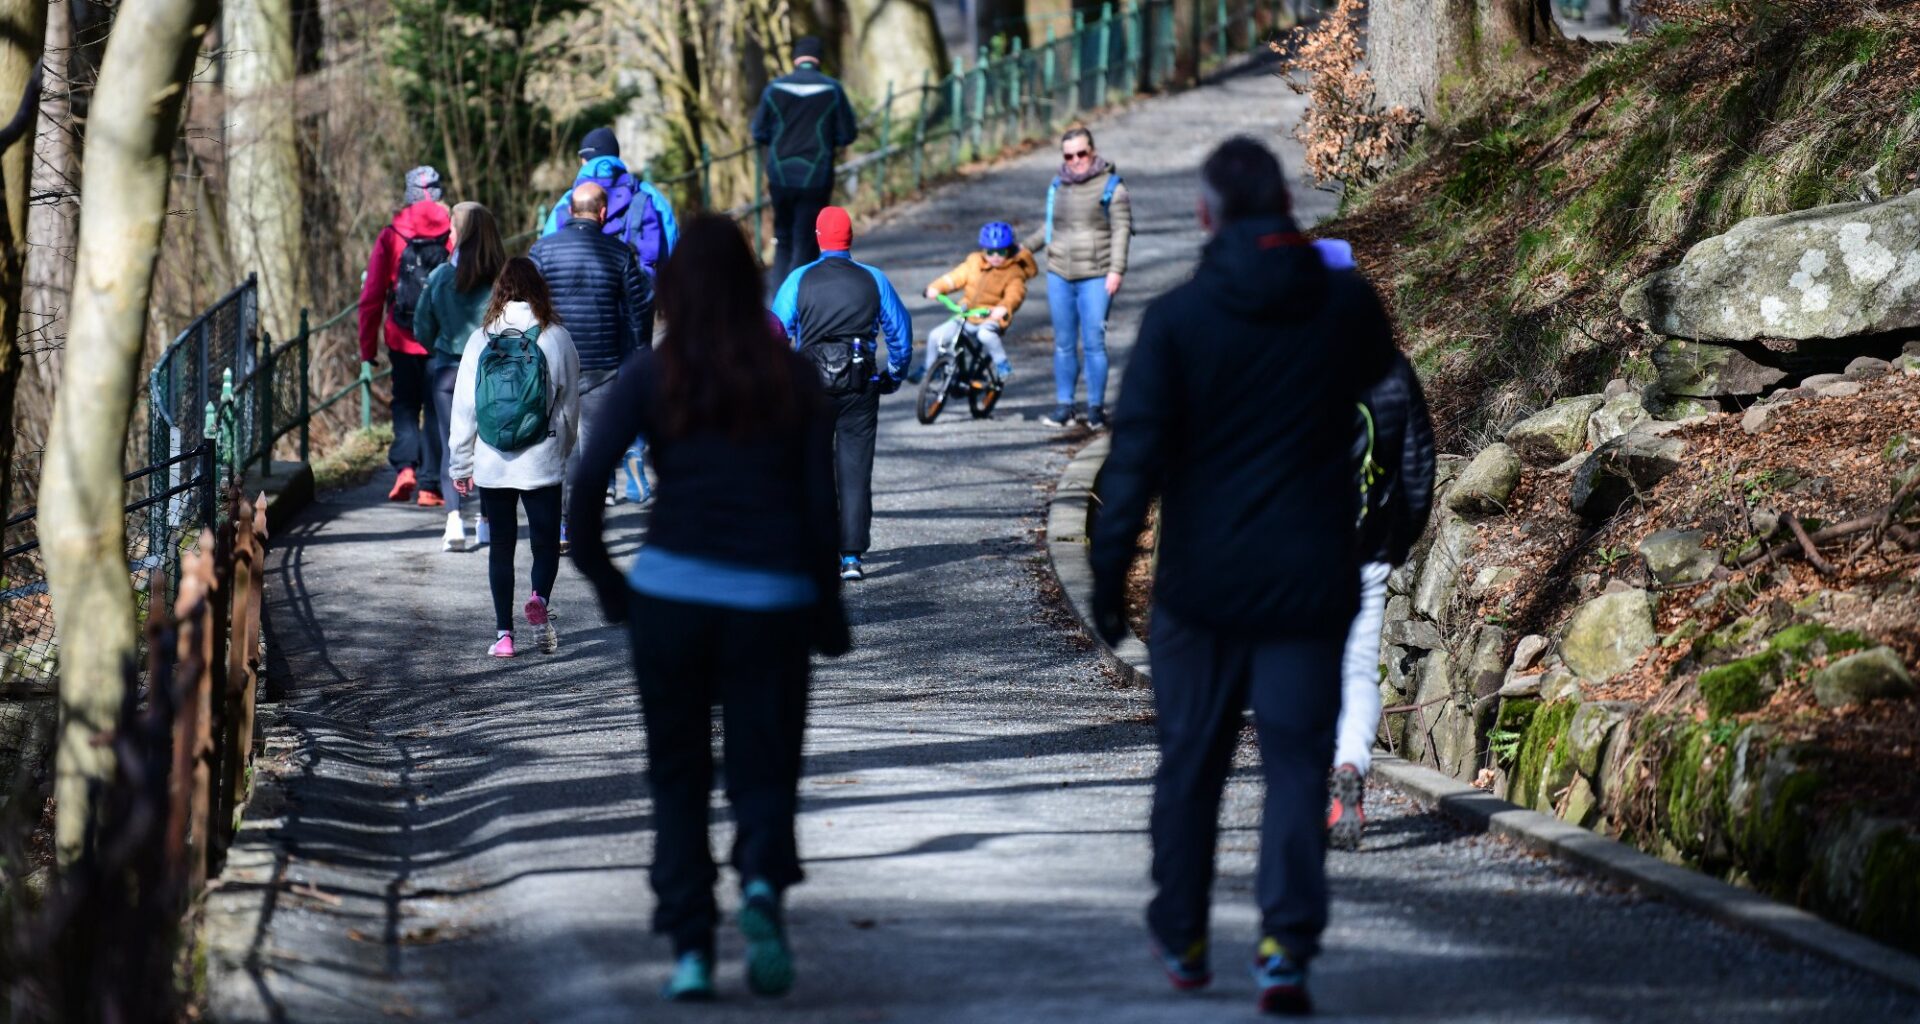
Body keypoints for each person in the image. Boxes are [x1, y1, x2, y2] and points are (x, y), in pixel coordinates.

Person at [1088, 138, 1394, 1016]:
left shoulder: (1179, 319)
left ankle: (1182, 930)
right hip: (1310, 578)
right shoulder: (1341, 304)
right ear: (1287, 209)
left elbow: (1135, 458)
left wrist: (1112, 580)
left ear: (1204, 214)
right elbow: (1379, 373)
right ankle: (1284, 947)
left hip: (1202, 586)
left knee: (1192, 762)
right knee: (1297, 764)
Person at [568, 215, 848, 1003]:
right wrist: (827, 612)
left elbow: (586, 492)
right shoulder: (792, 377)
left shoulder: (651, 376)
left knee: (679, 775)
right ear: (751, 285)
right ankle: (760, 881)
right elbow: (818, 512)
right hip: (772, 600)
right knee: (766, 763)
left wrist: (610, 586)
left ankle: (692, 949)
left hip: (672, 597)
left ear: (675, 289)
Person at [1312, 238, 1435, 853]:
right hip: (1365, 548)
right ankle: (1350, 769)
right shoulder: (1390, 367)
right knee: (1359, 668)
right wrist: (1397, 539)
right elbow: (1417, 466)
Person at [447, 257, 582, 658]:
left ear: (500, 292)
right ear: (540, 289)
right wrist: (563, 450)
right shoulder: (556, 337)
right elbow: (570, 406)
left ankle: (504, 636)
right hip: (541, 462)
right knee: (544, 543)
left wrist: (461, 464)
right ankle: (539, 596)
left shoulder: (481, 339)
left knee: (501, 548)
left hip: (493, 463)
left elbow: (464, 409)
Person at [772, 207, 911, 582]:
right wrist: (894, 375)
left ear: (819, 237)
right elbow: (900, 331)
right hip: (859, 385)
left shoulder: (799, 279)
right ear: (851, 238)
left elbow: (775, 329)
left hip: (810, 388)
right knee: (854, 470)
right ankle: (851, 557)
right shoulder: (874, 279)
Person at [530, 181, 655, 545]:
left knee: (557, 447)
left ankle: (562, 524)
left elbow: (528, 307)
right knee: (594, 449)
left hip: (553, 363)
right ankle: (584, 524)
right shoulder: (619, 253)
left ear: (569, 211)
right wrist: (639, 353)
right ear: (602, 213)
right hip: (604, 365)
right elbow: (639, 309)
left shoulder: (541, 251)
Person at [414, 201, 507, 553]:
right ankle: (485, 520)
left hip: (448, 371)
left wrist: (441, 344)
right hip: (492, 370)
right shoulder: (502, 279)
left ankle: (454, 520)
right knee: (487, 444)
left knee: (452, 443)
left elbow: (422, 327)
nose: (448, 235)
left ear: (461, 233)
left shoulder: (440, 277)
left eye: (452, 229)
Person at [358, 166, 454, 503]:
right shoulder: (453, 231)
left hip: (401, 335)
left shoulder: (392, 234)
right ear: (439, 193)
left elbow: (370, 297)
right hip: (442, 337)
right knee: (437, 404)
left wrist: (366, 348)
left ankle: (405, 469)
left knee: (405, 403)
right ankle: (430, 485)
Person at [1025, 127, 1131, 430]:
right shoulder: (1058, 185)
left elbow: (1122, 230)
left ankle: (1096, 408)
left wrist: (1116, 269)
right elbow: (1048, 229)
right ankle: (1065, 406)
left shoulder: (1113, 186)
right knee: (1063, 344)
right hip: (1059, 273)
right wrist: (1022, 250)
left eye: (1081, 154)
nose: (1075, 160)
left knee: (1094, 342)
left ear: (1093, 152)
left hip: (1096, 276)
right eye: (1069, 155)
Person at [751, 36, 857, 283]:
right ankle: (799, 306)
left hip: (780, 175)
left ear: (795, 59)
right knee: (806, 240)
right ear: (818, 59)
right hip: (815, 176)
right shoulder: (832, 89)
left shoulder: (774, 89)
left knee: (783, 240)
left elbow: (758, 132)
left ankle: (777, 309)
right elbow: (847, 134)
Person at [911, 220, 1037, 382]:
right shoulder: (974, 262)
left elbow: (1015, 295)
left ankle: (1002, 364)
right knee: (936, 336)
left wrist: (1004, 308)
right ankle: (929, 369)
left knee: (986, 335)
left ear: (1009, 251)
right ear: (983, 250)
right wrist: (936, 288)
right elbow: (955, 277)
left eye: (1001, 252)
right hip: (967, 313)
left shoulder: (1013, 272)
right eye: (990, 252)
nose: (995, 257)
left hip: (991, 317)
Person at [540, 126, 679, 272]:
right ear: (616, 156)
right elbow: (671, 242)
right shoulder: (647, 194)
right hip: (637, 288)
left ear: (584, 160)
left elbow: (546, 252)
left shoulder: (571, 199)